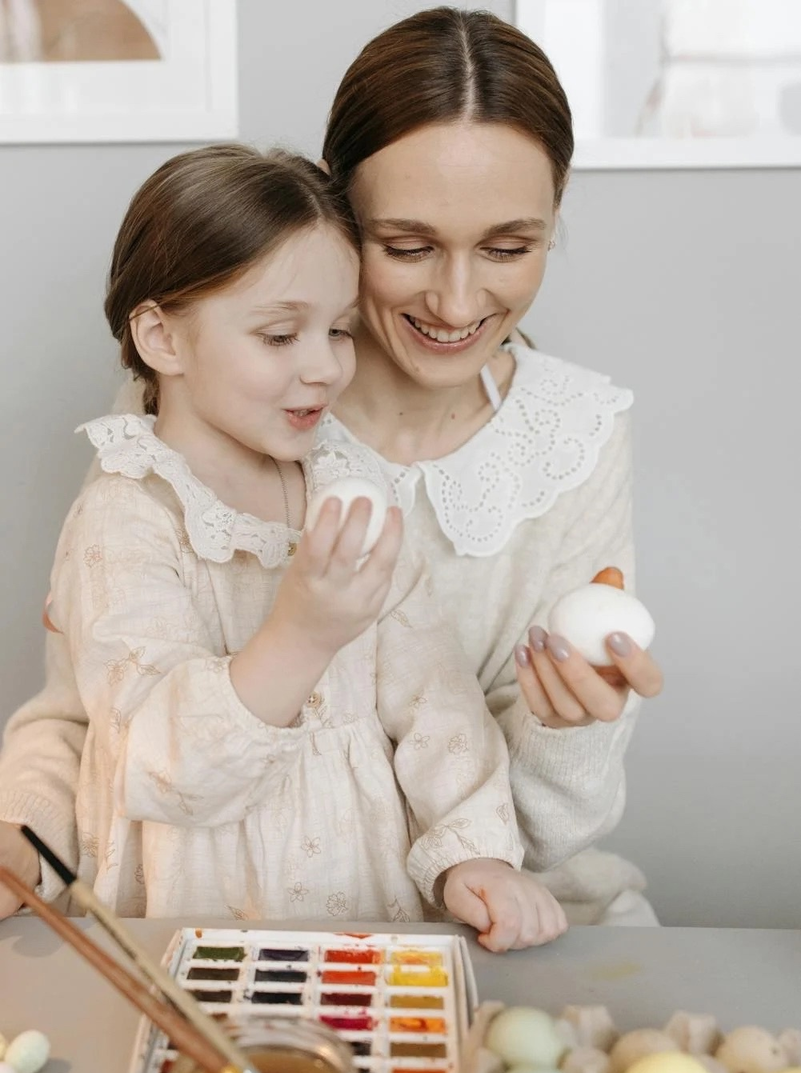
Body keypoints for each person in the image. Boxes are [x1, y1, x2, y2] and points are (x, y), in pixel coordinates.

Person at [0, 7, 662, 925]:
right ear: (338, 216)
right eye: (407, 247)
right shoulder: (186, 432)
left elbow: (448, 721)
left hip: (484, 911)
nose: (456, 300)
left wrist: (564, 731)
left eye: (508, 247)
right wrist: (24, 835)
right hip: (205, 910)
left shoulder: (561, 439)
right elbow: (92, 716)